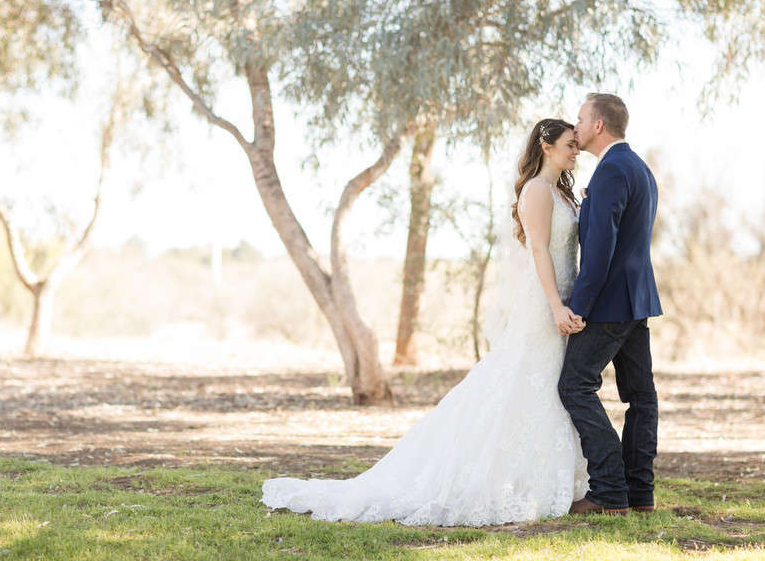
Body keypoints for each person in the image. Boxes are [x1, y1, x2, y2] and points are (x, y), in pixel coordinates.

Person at [261, 118, 590, 526]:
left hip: (562, 297)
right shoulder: (537, 190)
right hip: (543, 302)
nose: (576, 151)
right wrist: (555, 305)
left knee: (546, 385)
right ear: (546, 146)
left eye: (576, 145)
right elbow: (539, 250)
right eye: (570, 144)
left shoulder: (561, 193)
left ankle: (538, 475)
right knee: (527, 382)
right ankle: (509, 476)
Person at [559, 93, 662, 515]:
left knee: (575, 386)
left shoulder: (612, 170)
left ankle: (607, 491)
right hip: (637, 300)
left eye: (581, 119)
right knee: (641, 397)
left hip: (609, 304)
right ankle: (639, 495)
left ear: (599, 125)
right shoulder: (638, 167)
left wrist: (578, 307)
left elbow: (600, 251)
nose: (576, 126)